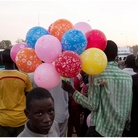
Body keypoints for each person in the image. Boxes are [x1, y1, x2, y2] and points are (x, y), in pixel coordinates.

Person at [62, 40, 133, 137]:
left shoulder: (97, 74)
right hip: (118, 131)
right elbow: (128, 107)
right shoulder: (127, 78)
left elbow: (92, 105)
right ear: (116, 55)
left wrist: (72, 91)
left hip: (100, 130)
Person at [0, 48, 33, 137]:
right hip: (20, 119)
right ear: (15, 59)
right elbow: (29, 97)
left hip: (3, 120)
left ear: (2, 60)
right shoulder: (24, 77)